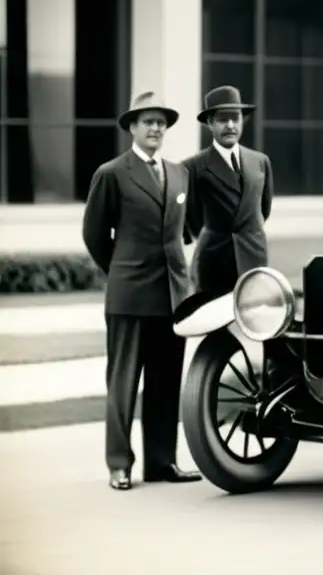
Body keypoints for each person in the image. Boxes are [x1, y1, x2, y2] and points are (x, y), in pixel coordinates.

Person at [82, 92, 202, 490]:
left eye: (161, 123)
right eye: (148, 121)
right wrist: (119, 271)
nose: (155, 129)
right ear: (132, 126)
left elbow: (183, 232)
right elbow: (94, 234)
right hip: (130, 295)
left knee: (166, 383)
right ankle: (119, 463)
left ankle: (162, 461)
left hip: (172, 298)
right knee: (123, 383)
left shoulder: (179, 174)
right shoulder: (112, 173)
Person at [182, 85, 274, 298]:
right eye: (223, 119)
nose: (230, 125)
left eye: (236, 118)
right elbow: (191, 218)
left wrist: (248, 235)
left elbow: (263, 209)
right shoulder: (193, 166)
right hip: (215, 260)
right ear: (210, 123)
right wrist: (216, 235)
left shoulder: (260, 162)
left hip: (254, 256)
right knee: (216, 325)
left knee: (253, 321)